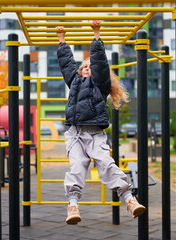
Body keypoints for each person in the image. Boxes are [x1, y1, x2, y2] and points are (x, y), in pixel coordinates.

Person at [56, 20, 145, 225]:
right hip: (76, 134)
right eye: (84, 66)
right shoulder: (74, 81)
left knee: (106, 163)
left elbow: (100, 63)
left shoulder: (100, 85)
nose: (86, 68)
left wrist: (96, 35)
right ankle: (72, 205)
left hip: (95, 134)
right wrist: (62, 40)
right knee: (77, 167)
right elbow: (66, 64)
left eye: (90, 67)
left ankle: (129, 199)